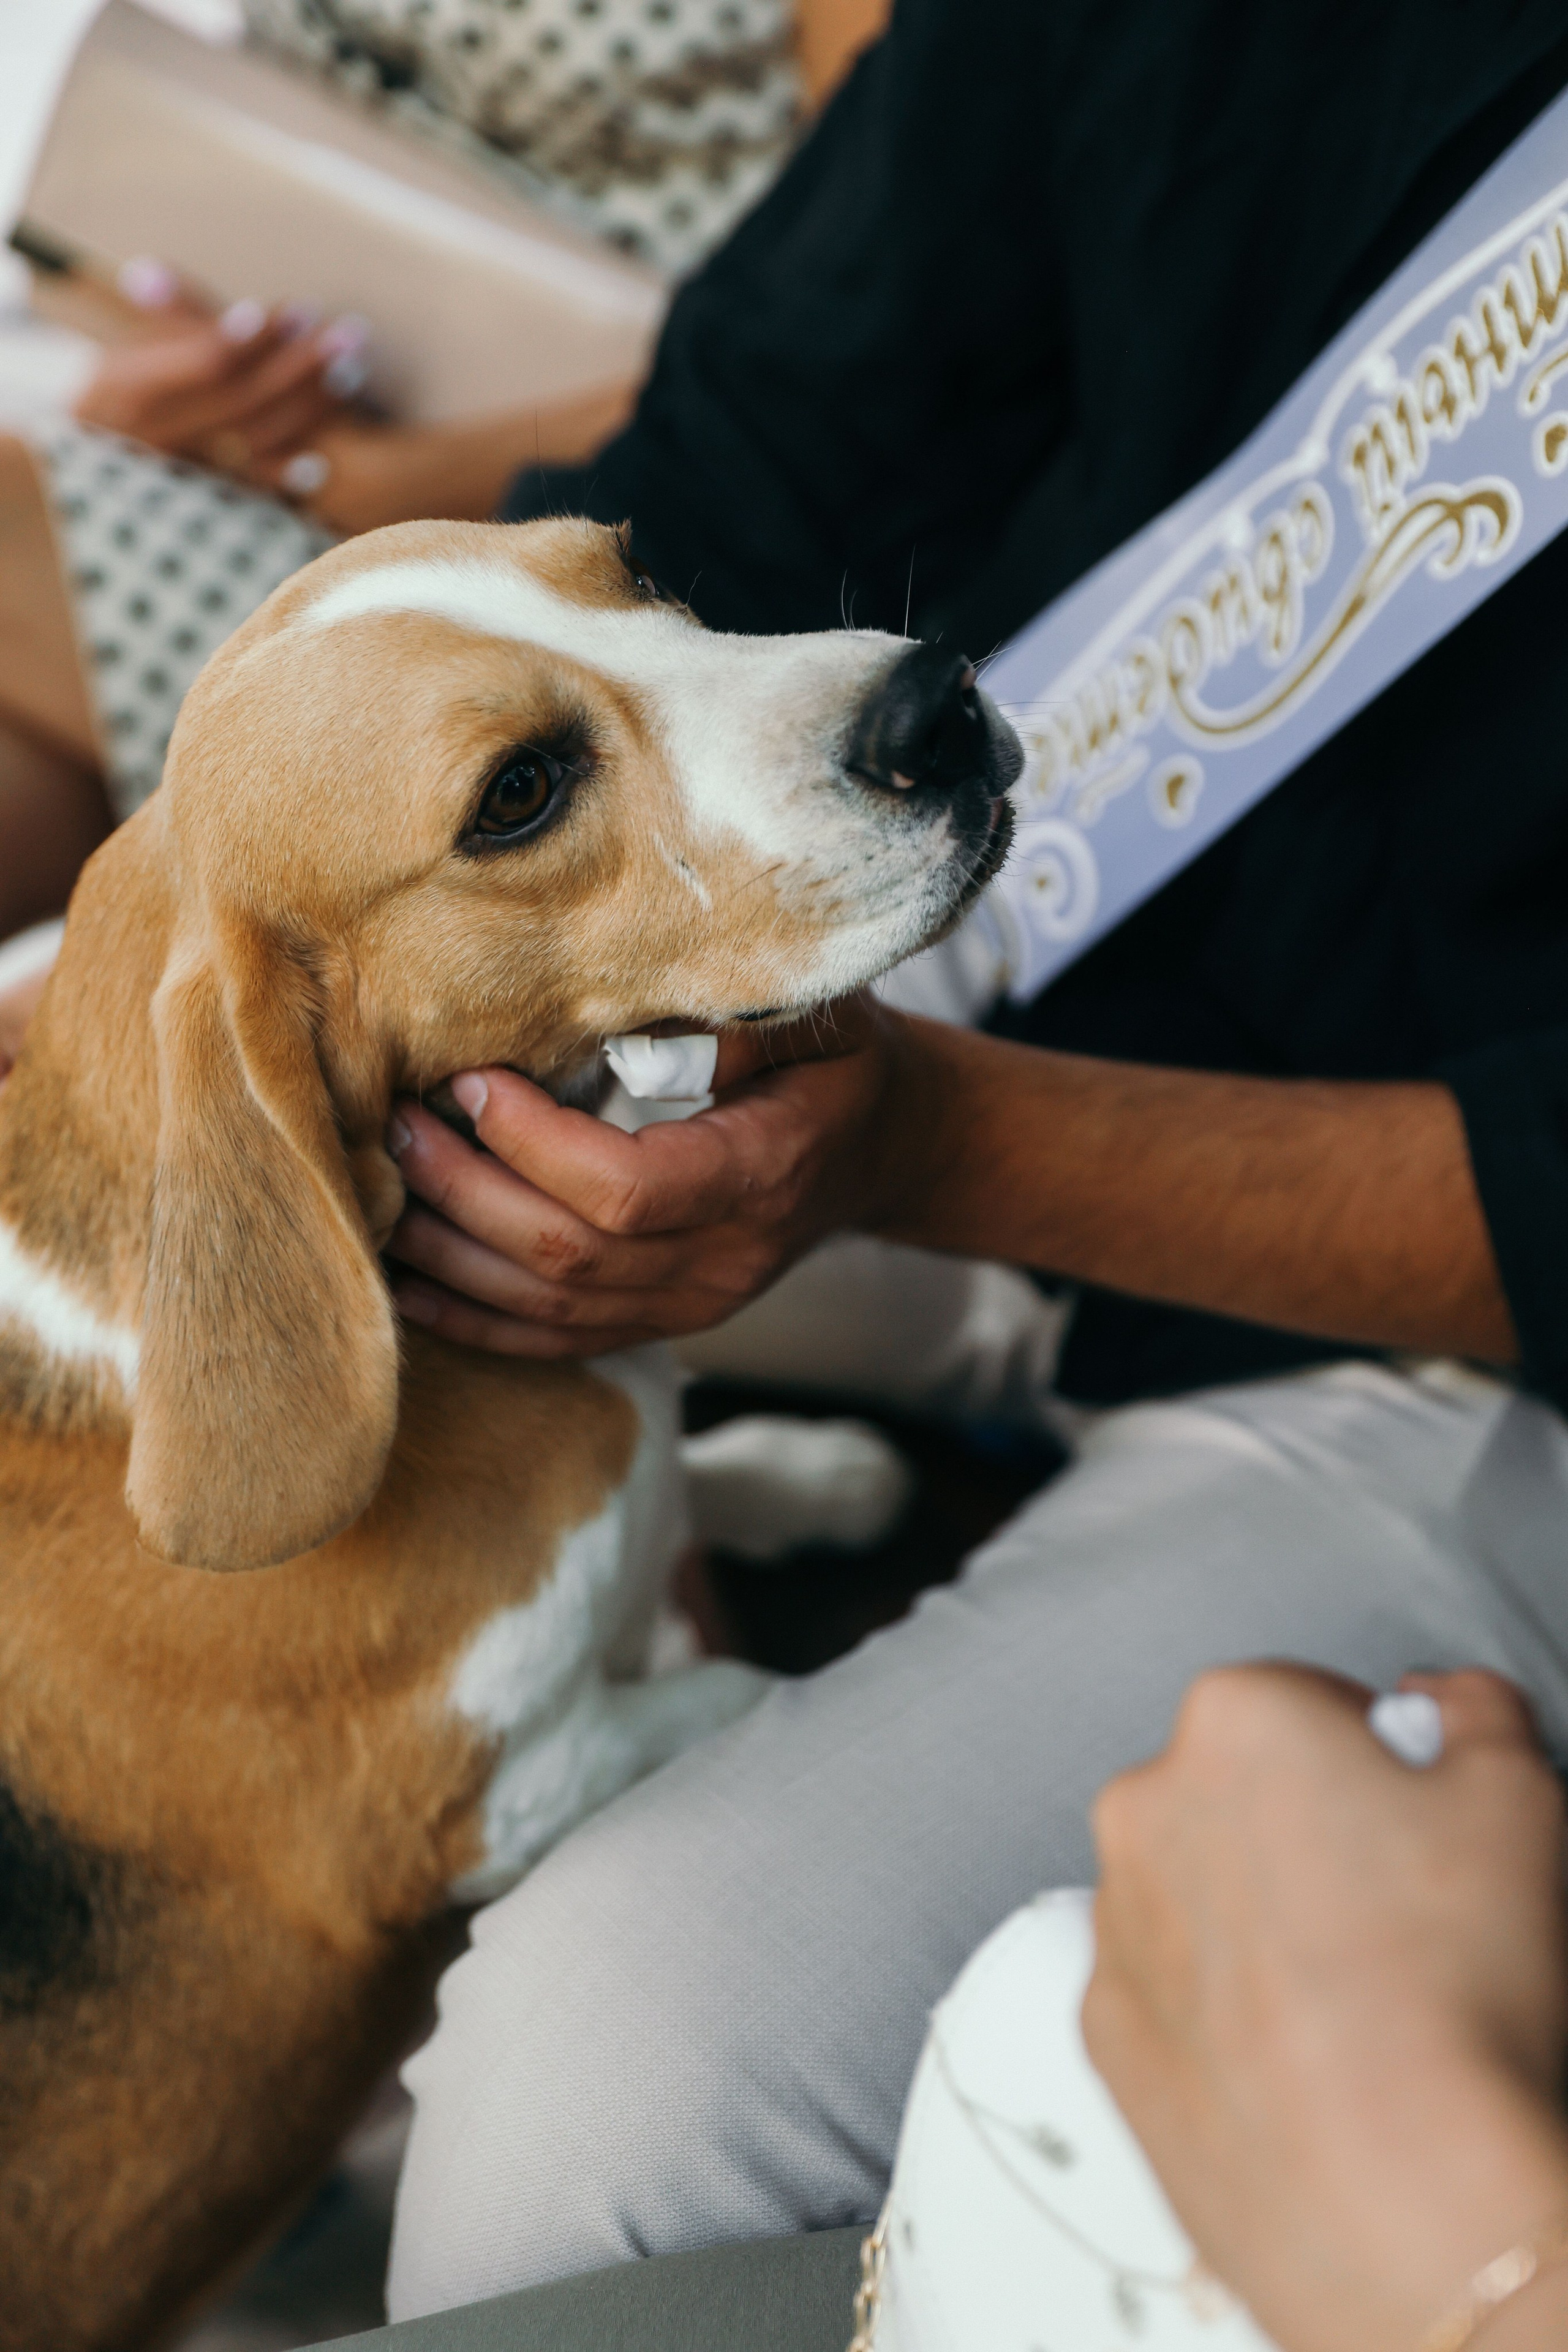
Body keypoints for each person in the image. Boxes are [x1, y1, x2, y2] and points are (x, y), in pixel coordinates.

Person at [354, 0, 1568, 2327]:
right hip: (930, 959)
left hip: (1450, 1331)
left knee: (608, 2097)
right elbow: (773, 430)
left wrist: (924, 1144)